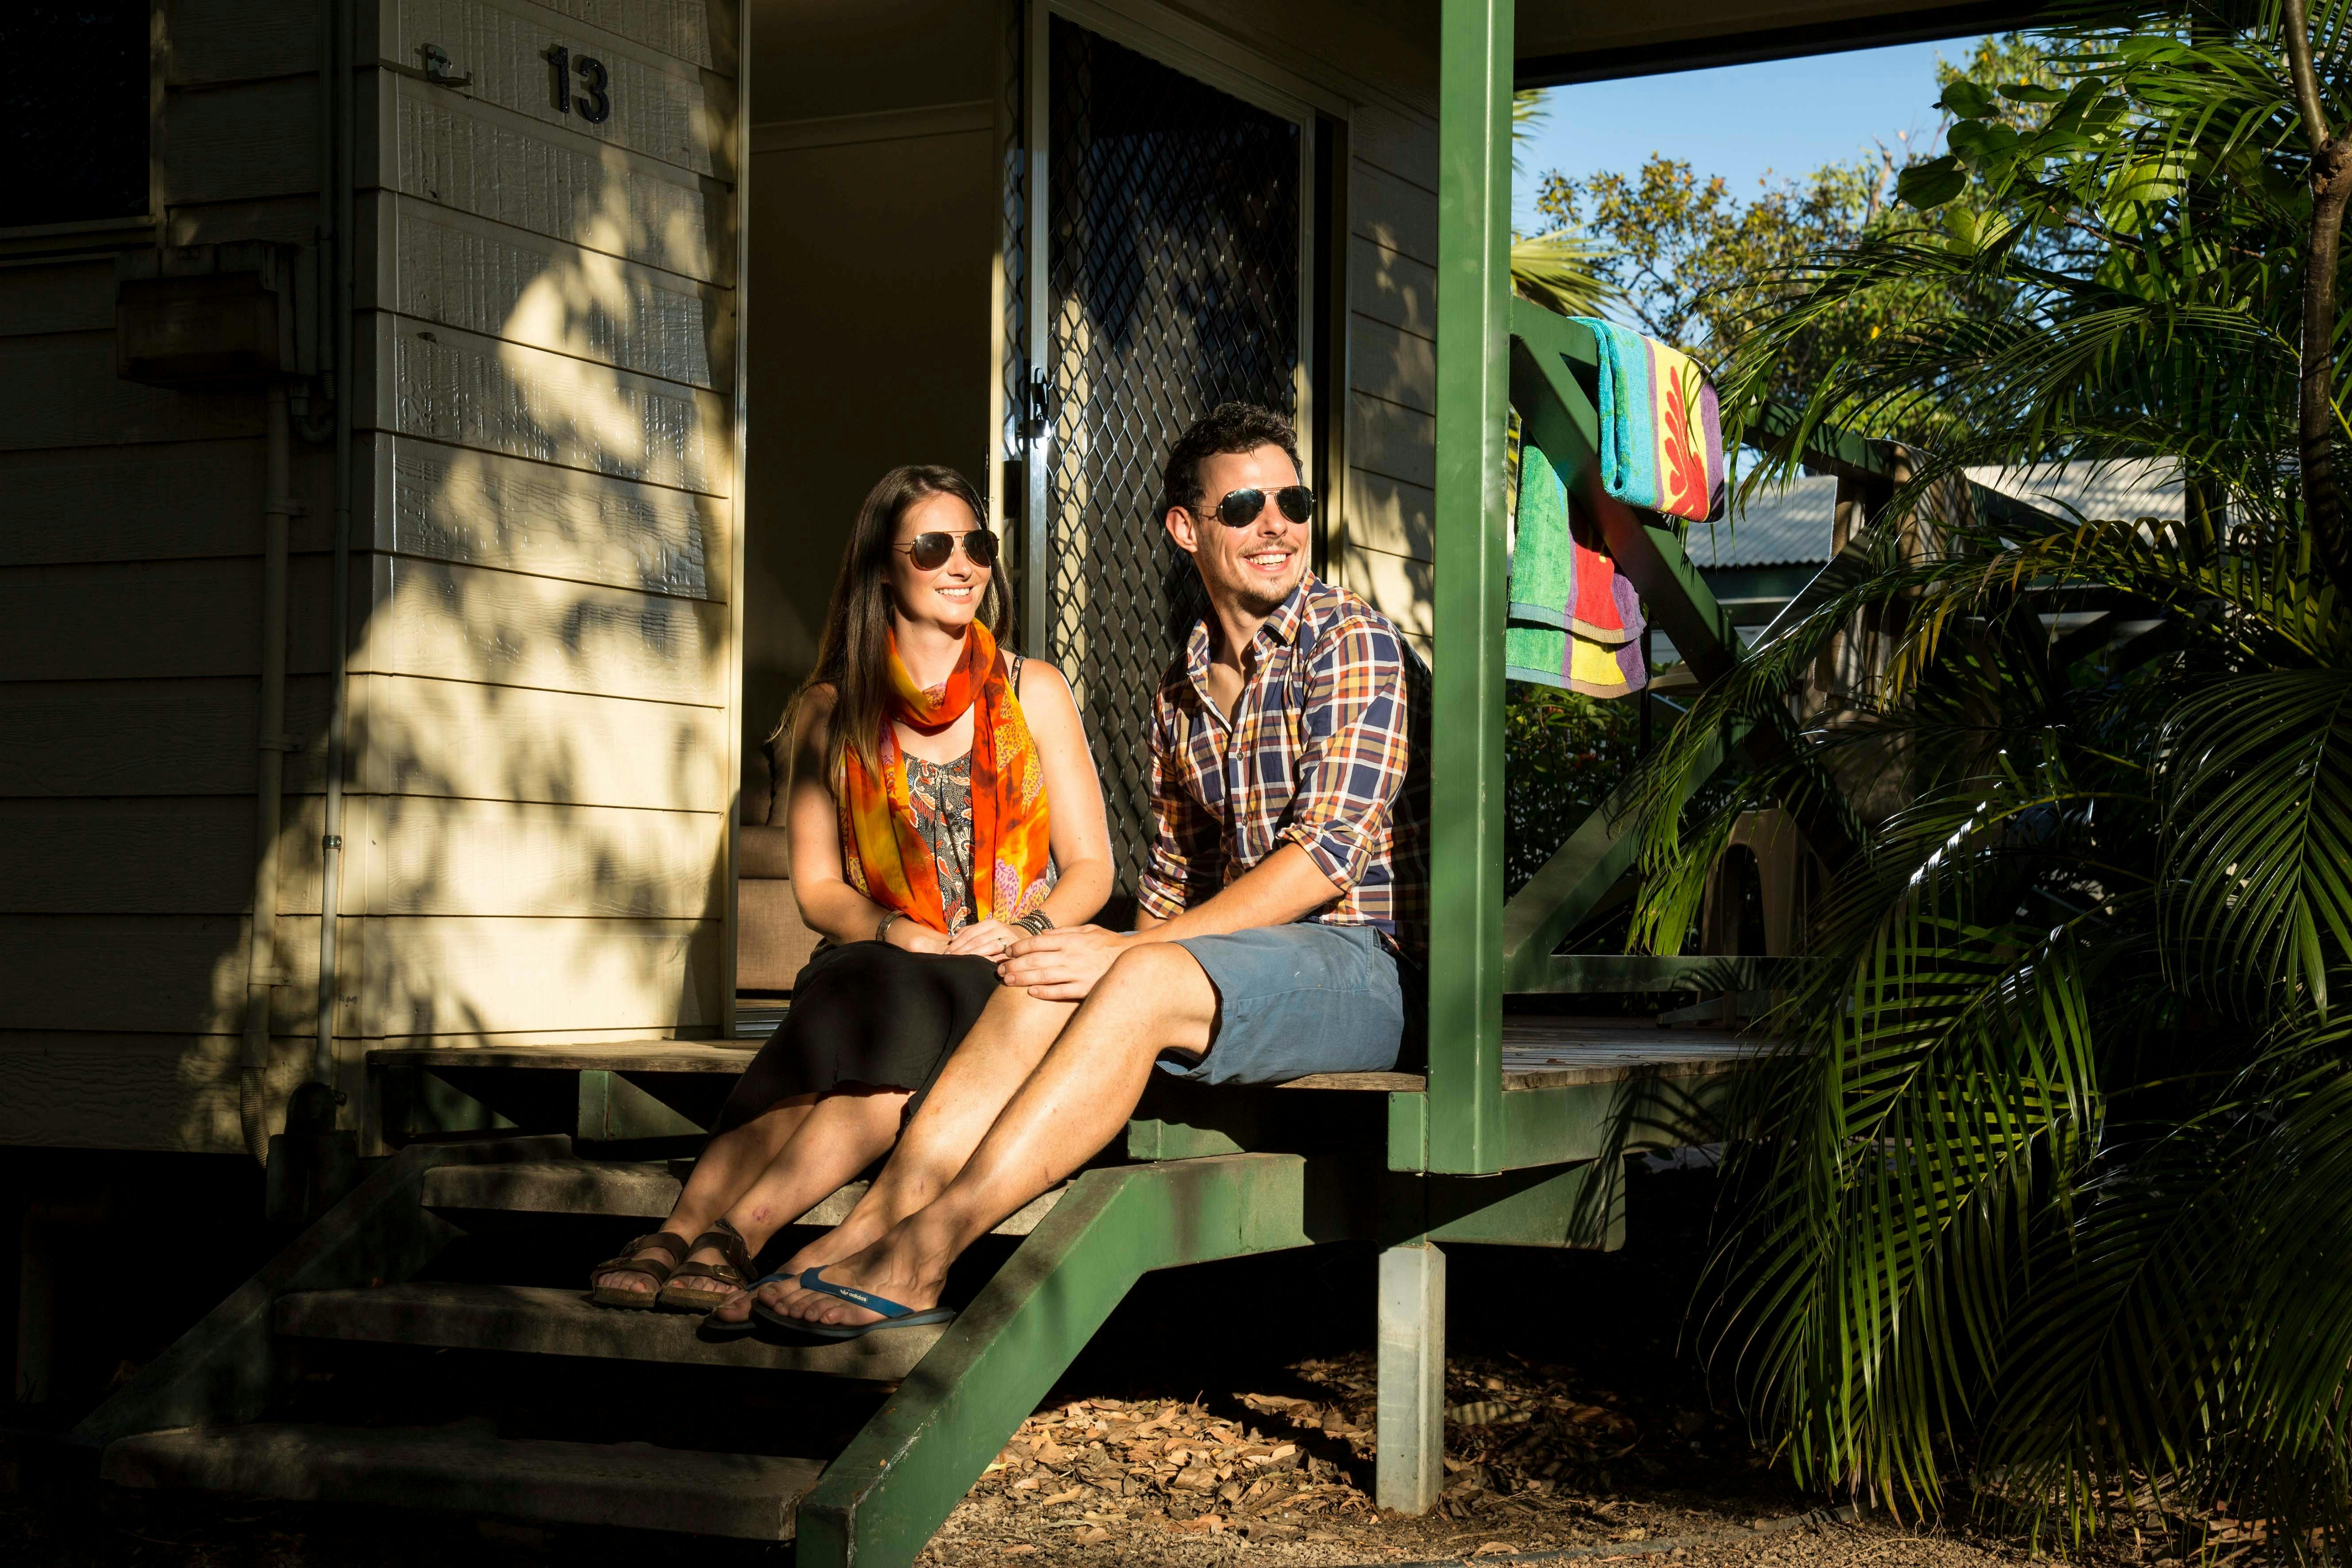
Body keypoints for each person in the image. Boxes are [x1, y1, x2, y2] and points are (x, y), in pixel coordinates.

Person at [728, 402, 1427, 1339]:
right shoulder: (1181, 688)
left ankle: (933, 1244)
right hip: (1237, 969)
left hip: (1358, 966)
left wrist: (1122, 951)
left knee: (1128, 969)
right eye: (1246, 504)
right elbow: (1174, 880)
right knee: (1038, 971)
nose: (1278, 524)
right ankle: (863, 1227)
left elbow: (1324, 858)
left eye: (1293, 500)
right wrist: (1069, 951)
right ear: (1187, 529)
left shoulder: (1349, 642)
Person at [588, 464, 1112, 1311]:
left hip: (1000, 968)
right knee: (877, 994)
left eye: (975, 544)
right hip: (878, 956)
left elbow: (1094, 868)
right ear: (882, 568)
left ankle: (721, 1230)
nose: (962, 564)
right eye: (933, 546)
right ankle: (695, 1232)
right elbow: (818, 891)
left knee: (901, 1011)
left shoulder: (1033, 689)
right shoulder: (830, 709)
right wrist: (894, 931)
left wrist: (1026, 924)